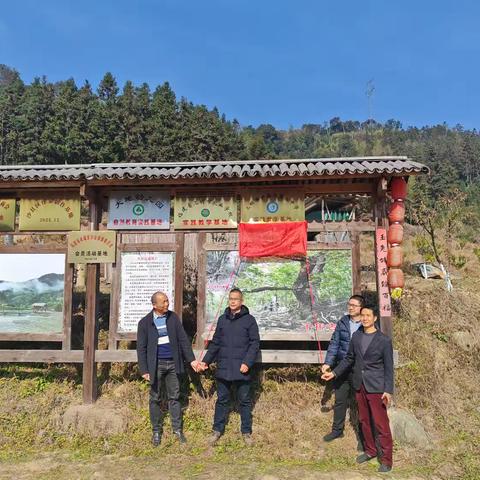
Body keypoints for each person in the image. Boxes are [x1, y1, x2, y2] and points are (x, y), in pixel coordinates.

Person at [322, 306, 394, 473]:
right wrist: (333, 373)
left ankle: (387, 460)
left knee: (381, 424)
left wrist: (388, 390)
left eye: (368, 315)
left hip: (376, 387)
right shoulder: (357, 336)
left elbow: (389, 368)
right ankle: (370, 450)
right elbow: (349, 359)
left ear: (375, 318)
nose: (365, 318)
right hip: (359, 384)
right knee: (364, 420)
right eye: (363, 315)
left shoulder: (383, 340)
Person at [198, 288, 260, 446]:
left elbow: (254, 344)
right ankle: (217, 431)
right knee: (222, 400)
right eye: (231, 299)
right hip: (224, 367)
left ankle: (246, 433)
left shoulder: (249, 320)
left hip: (242, 368)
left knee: (245, 401)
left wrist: (247, 363)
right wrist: (206, 361)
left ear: (241, 301)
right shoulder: (222, 319)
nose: (233, 301)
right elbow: (216, 343)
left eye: (236, 299)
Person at [137, 291, 199, 447]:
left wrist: (191, 360)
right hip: (155, 365)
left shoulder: (173, 318)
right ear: (154, 305)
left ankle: (177, 430)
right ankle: (156, 431)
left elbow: (183, 340)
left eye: (167, 301)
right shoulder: (144, 323)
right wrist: (144, 369)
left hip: (173, 363)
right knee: (155, 398)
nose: (167, 304)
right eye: (163, 302)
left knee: (175, 397)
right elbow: (141, 348)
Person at [322, 295, 365, 443]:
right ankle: (337, 431)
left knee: (361, 402)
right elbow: (334, 343)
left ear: (361, 307)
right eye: (349, 304)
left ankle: (363, 437)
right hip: (341, 367)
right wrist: (328, 363)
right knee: (340, 400)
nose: (350, 307)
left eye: (354, 305)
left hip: (359, 368)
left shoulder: (366, 324)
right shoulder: (343, 322)